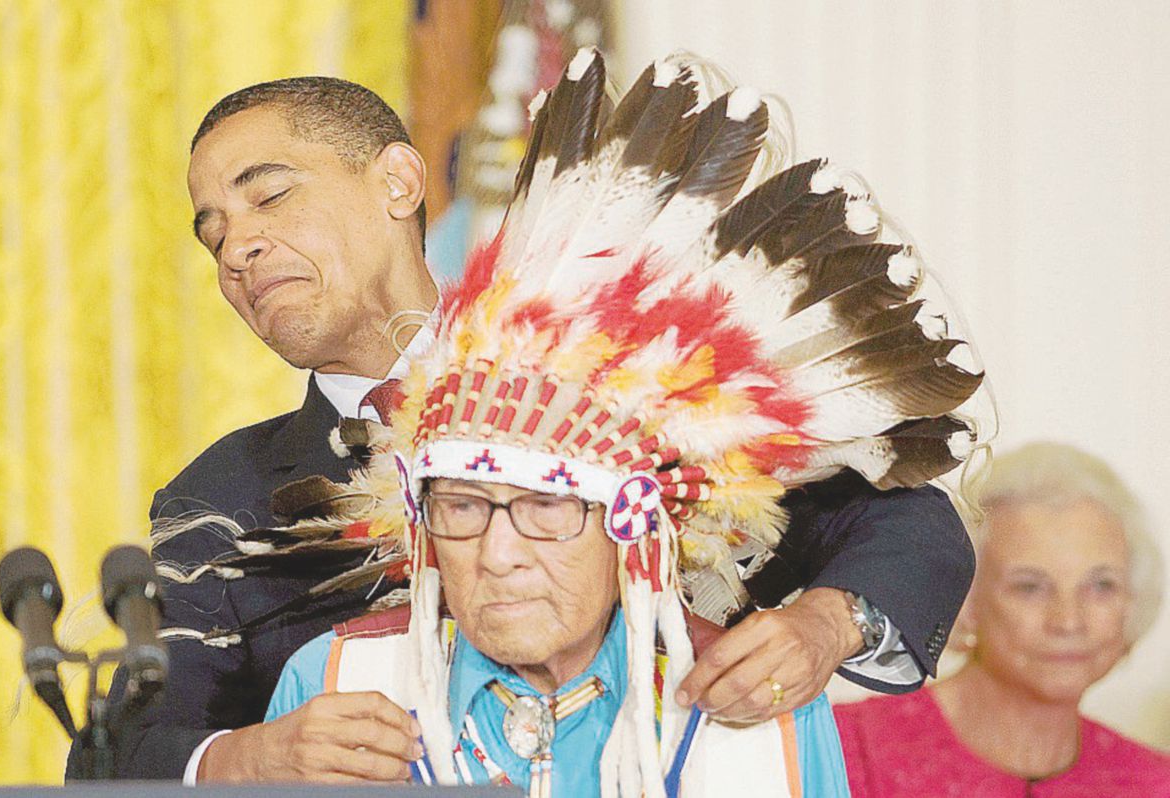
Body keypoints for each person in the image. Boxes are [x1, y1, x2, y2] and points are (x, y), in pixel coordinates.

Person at [69, 61, 979, 783]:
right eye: (213, 230)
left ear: (396, 181)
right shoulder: (219, 499)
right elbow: (108, 756)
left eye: (268, 197)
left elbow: (908, 526)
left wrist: (826, 623)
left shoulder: (612, 381)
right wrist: (245, 759)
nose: (238, 246)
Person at [835, 442, 1170, 796]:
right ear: (965, 600)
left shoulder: (1153, 782)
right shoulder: (848, 750)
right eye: (1030, 587)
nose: (1069, 621)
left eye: (1102, 586)